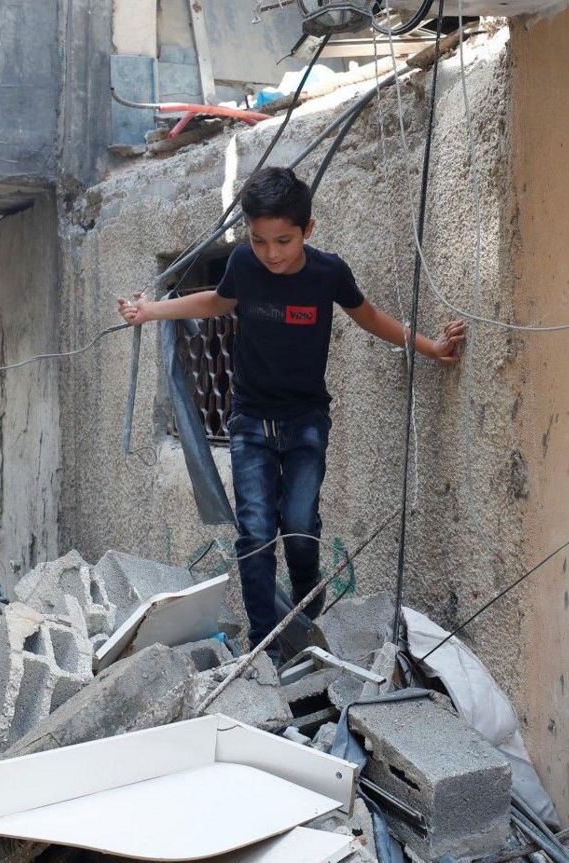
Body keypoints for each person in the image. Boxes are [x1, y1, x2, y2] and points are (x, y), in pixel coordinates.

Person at [119, 167, 466, 654]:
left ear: (308, 230)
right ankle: (264, 646)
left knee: (300, 529)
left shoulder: (328, 273)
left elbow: (370, 319)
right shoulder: (243, 264)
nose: (272, 253)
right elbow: (218, 305)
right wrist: (151, 310)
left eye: (283, 240)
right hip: (249, 423)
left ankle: (306, 617)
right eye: (260, 241)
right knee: (256, 533)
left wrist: (429, 347)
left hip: (305, 423)